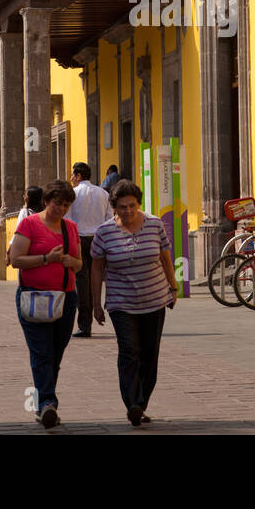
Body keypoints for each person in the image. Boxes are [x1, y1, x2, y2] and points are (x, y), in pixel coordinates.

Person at [90, 179, 177, 426]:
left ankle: (141, 402)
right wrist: (96, 303)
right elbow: (96, 269)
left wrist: (173, 286)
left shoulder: (154, 224)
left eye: (132, 206)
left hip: (154, 299)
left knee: (150, 355)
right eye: (122, 207)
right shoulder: (104, 232)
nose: (127, 211)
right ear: (113, 207)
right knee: (129, 351)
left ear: (139, 204)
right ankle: (133, 403)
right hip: (121, 302)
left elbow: (164, 257)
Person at [8, 180, 81, 430]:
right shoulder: (29, 224)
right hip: (34, 297)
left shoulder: (71, 228)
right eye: (57, 203)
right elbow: (15, 260)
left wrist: (72, 261)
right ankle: (48, 403)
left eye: (66, 205)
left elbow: (80, 263)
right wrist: (46, 259)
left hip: (65, 298)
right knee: (42, 352)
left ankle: (45, 402)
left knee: (55, 354)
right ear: (47, 201)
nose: (61, 209)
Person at [67, 162, 113, 338]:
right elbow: (109, 219)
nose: (71, 178)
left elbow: (68, 220)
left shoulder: (74, 194)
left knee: (81, 281)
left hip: (78, 239)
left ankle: (85, 325)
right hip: (98, 239)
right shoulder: (103, 193)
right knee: (98, 278)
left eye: (72, 175)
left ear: (78, 176)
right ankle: (99, 310)